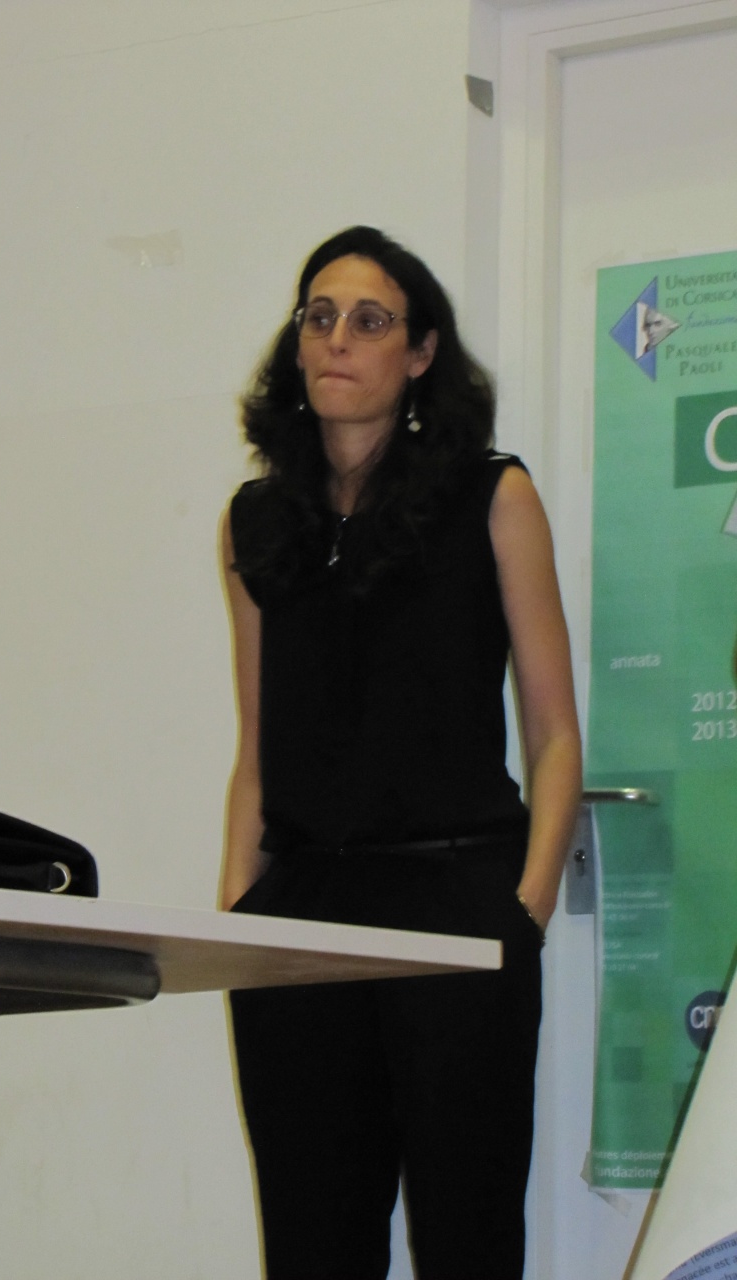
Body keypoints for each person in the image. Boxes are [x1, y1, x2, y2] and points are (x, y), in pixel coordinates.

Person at [217, 226, 582, 1280]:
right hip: (298, 921)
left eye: (370, 320)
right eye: (319, 316)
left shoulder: (491, 497)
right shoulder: (257, 522)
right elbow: (257, 745)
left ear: (420, 353)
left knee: (467, 1241)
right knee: (312, 1246)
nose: (338, 338)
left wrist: (524, 910)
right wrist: (239, 911)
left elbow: (555, 732)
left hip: (454, 904)